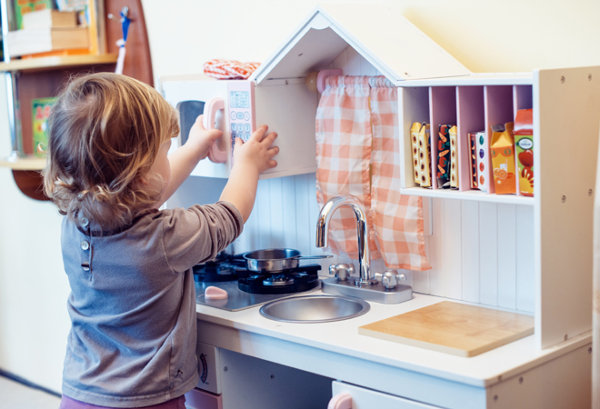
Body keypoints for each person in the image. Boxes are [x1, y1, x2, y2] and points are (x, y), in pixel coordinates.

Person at [42, 72, 278, 409]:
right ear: (139, 171)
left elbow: (141, 195)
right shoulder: (163, 238)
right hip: (146, 401)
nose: (169, 157)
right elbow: (229, 214)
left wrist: (194, 150)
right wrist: (248, 165)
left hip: (79, 394)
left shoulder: (75, 224)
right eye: (165, 151)